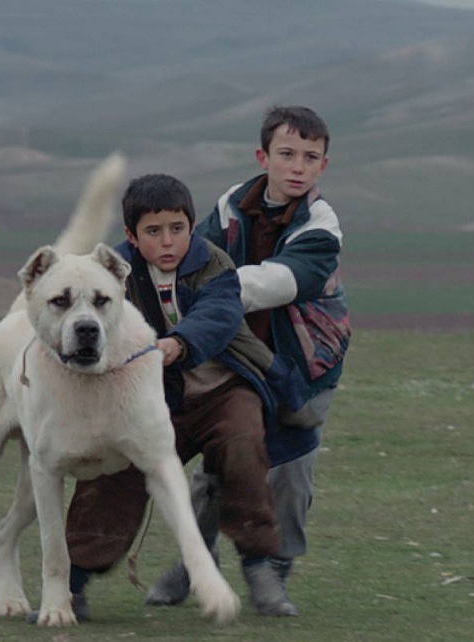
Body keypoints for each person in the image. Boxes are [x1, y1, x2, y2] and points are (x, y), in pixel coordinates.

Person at [46, 172, 306, 622]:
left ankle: (259, 567)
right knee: (113, 468)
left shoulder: (213, 265)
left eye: (177, 228)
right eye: (153, 231)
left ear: (190, 226)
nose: (168, 241)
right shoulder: (110, 273)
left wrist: (179, 343)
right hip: (147, 396)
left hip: (221, 390)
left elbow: (219, 316)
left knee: (244, 445)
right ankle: (73, 584)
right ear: (131, 235)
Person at [145, 105, 351, 616]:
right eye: (286, 154)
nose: (297, 166)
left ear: (324, 164)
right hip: (237, 359)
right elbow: (191, 254)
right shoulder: (231, 206)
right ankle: (196, 564)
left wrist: (207, 294)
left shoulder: (322, 228)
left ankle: (275, 572)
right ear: (263, 157)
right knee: (218, 463)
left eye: (310, 156)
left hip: (304, 364)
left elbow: (280, 282)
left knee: (291, 470)